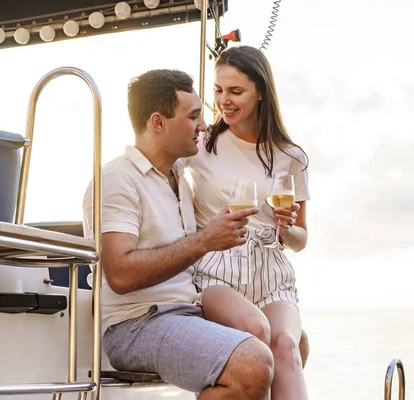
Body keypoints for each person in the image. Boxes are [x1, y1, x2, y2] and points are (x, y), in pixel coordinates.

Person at [82, 69, 273, 399]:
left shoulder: (181, 179)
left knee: (291, 343)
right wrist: (205, 240)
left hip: (187, 312)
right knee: (253, 364)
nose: (203, 126)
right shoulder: (116, 180)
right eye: (194, 116)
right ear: (158, 123)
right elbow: (120, 274)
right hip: (135, 324)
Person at [185, 45, 310, 399]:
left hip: (271, 271)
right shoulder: (203, 144)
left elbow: (300, 240)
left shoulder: (291, 157)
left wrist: (287, 227)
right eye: (219, 90)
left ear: (260, 92)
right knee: (256, 333)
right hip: (217, 268)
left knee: (287, 344)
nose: (224, 100)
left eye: (236, 91)